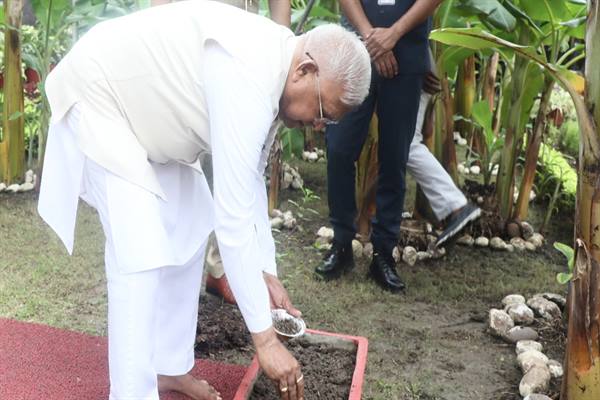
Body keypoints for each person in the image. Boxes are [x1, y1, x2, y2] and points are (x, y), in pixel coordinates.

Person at [38, 2, 371, 400]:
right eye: (321, 111)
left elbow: (250, 181)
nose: (317, 125)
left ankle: (167, 368)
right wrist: (265, 341)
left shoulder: (278, 69)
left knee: (193, 221)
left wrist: (265, 271)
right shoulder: (249, 72)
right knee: (140, 249)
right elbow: (233, 218)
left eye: (327, 121)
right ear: (305, 70)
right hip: (100, 97)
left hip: (147, 121)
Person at [315, 0, 443, 293]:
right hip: (356, 48)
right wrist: (372, 39)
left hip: (406, 52)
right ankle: (341, 245)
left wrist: (394, 34)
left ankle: (383, 254)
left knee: (395, 157)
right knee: (339, 148)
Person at [407, 71, 481, 247]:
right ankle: (455, 205)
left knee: (407, 145)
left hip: (411, 74)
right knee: (405, 144)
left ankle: (456, 205)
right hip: (414, 74)